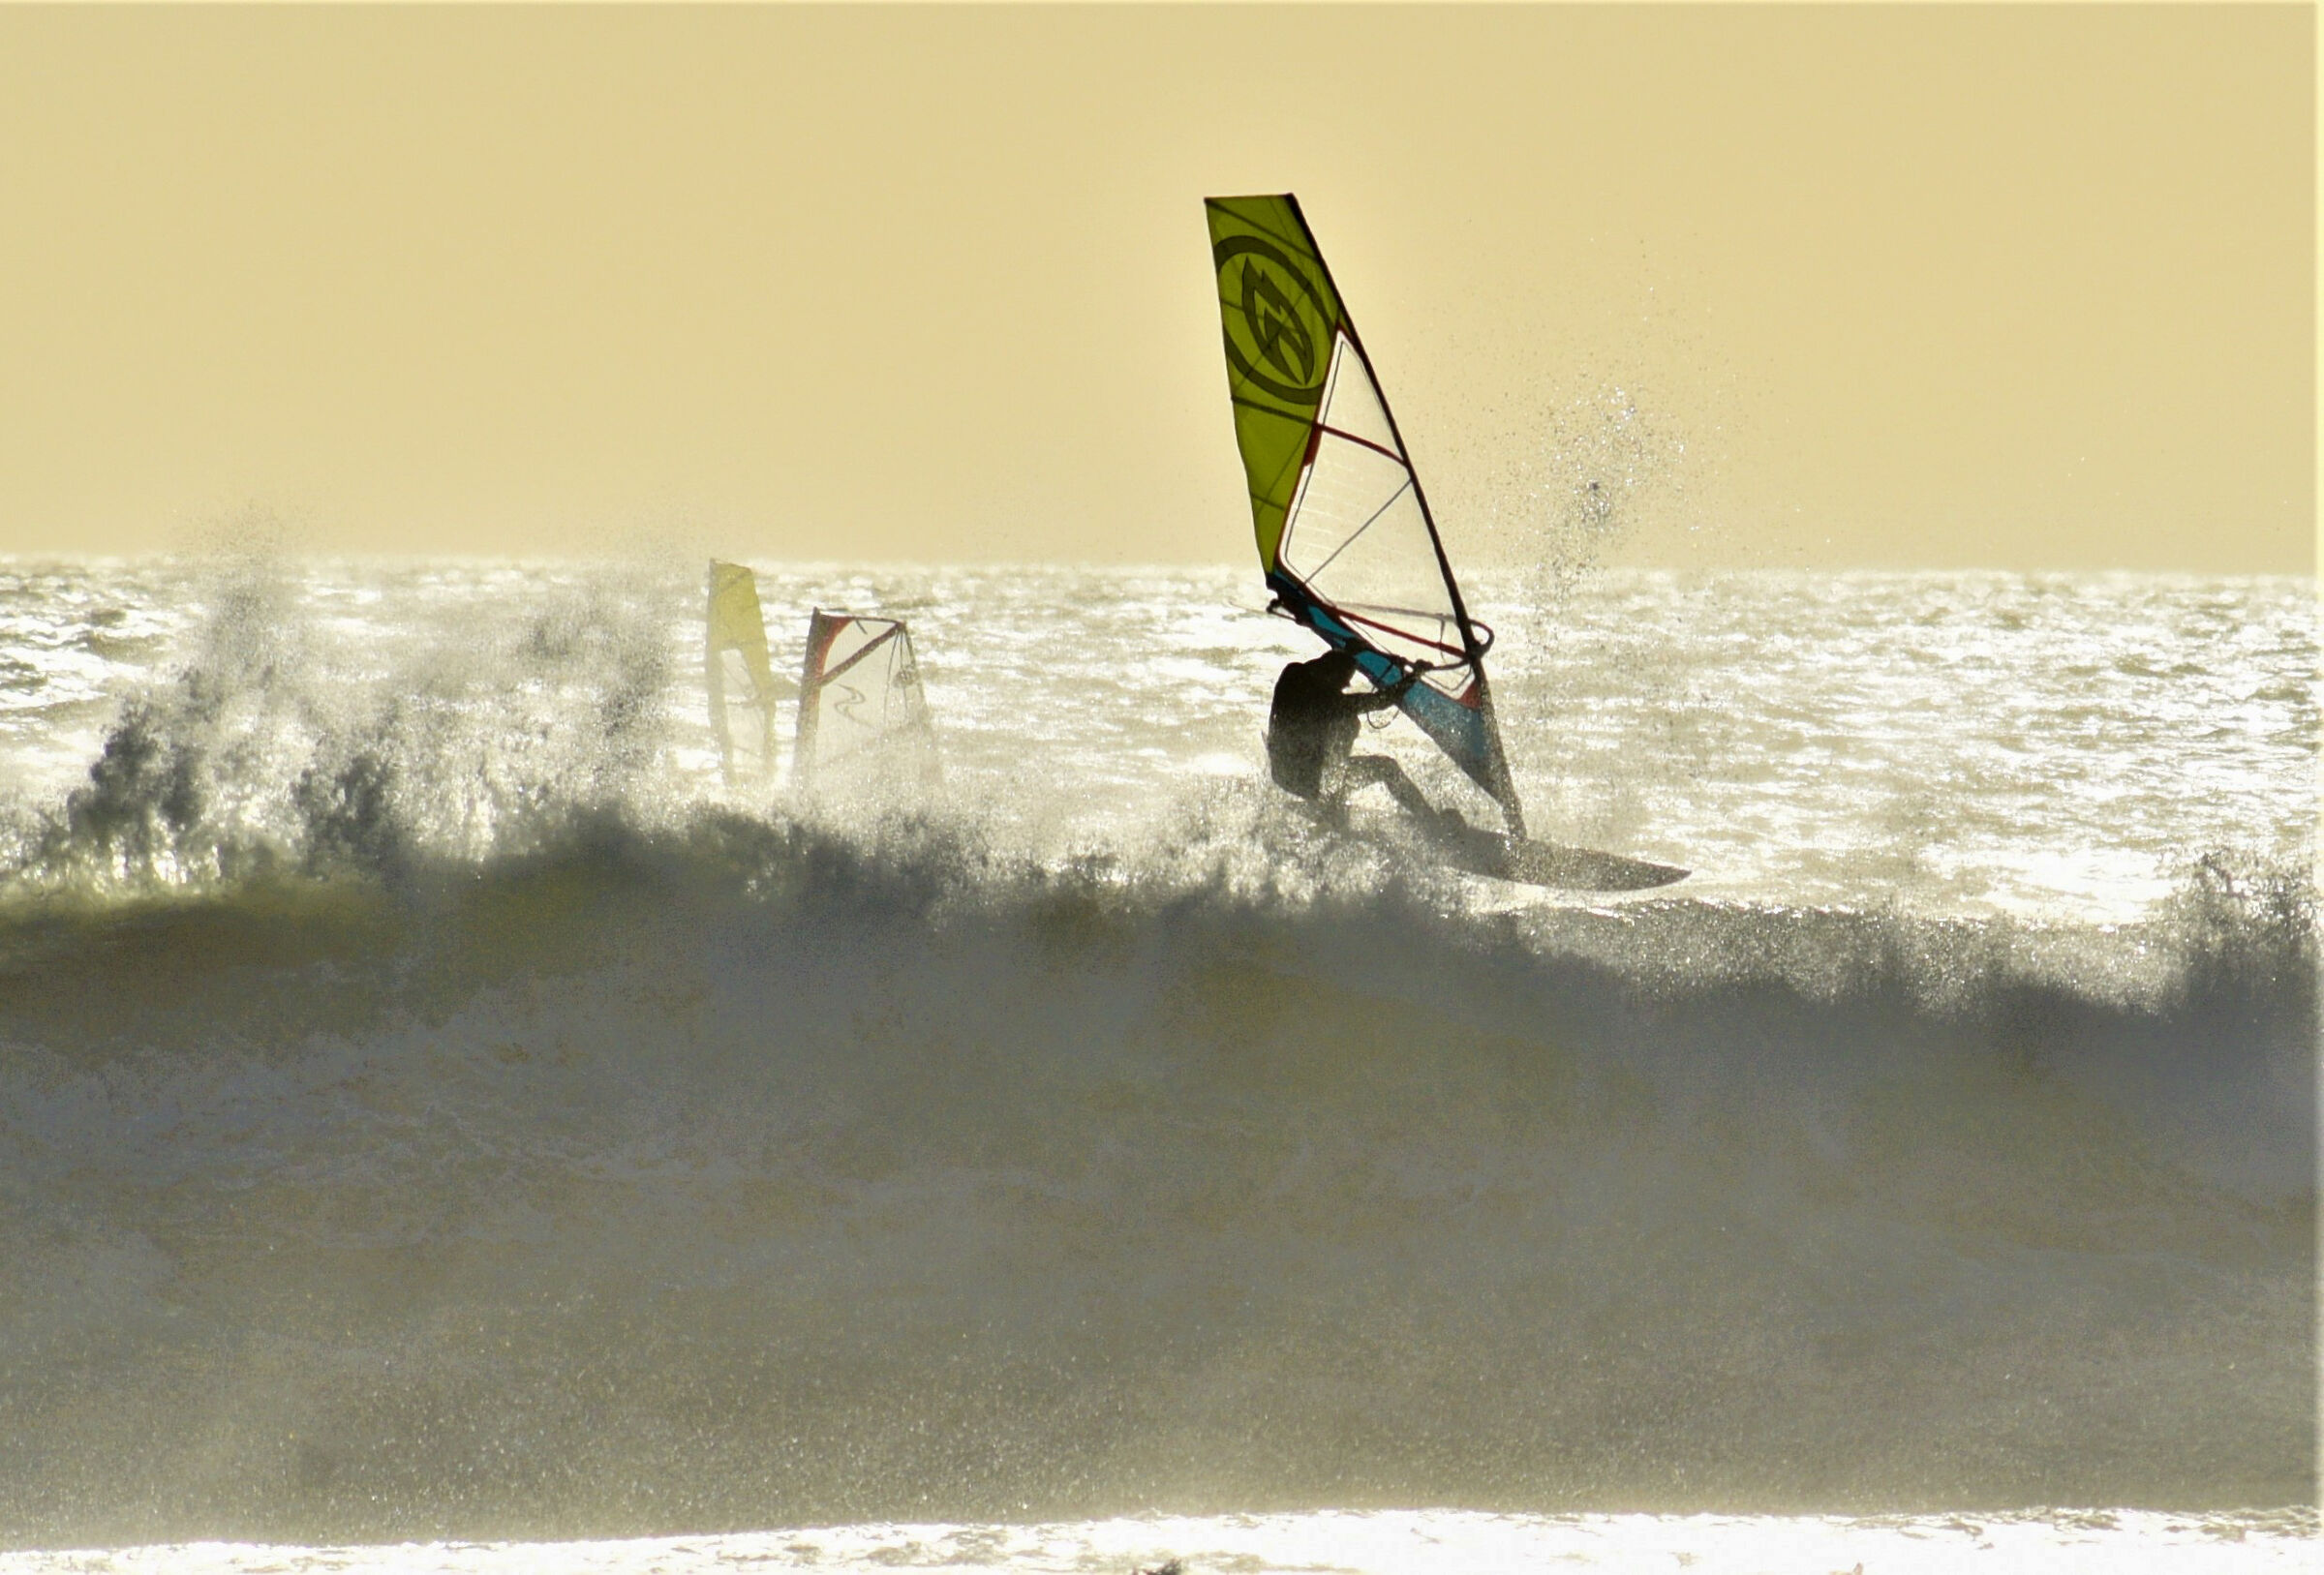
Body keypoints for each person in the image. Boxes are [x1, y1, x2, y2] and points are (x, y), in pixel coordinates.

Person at [1266, 649, 1440, 826]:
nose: (1343, 687)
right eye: (1343, 683)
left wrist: (1349, 647)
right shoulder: (1332, 702)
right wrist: (1414, 675)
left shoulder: (1292, 675)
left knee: (1339, 741)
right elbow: (1383, 700)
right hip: (1308, 779)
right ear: (1330, 675)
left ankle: (1332, 809)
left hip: (1282, 772)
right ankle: (1430, 820)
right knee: (1386, 767)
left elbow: (1317, 666)